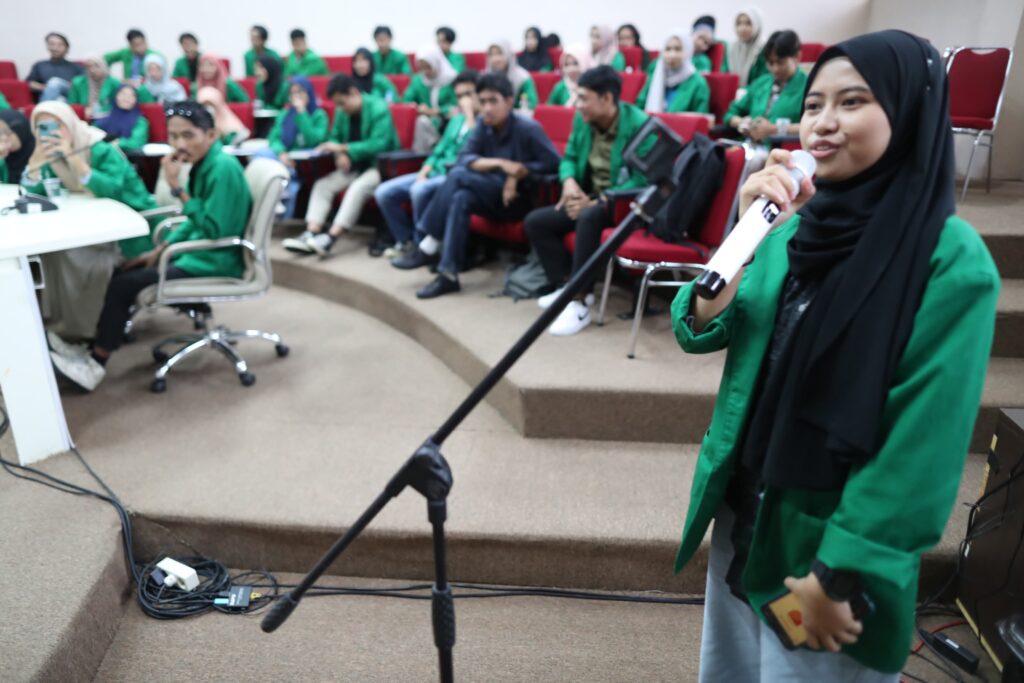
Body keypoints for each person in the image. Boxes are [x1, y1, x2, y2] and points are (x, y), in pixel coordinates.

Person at [676, 29, 1002, 682]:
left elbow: (922, 447)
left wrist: (838, 574)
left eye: (851, 102)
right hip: (747, 512)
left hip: (827, 551)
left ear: (909, 110)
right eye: (813, 104)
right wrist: (744, 231)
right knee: (733, 670)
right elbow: (699, 324)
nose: (822, 123)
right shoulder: (792, 228)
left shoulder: (949, 258)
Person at [48, 101, 253, 392]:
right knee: (120, 272)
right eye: (173, 136)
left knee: (122, 286)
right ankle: (91, 344)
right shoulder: (205, 164)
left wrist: (177, 188)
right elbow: (195, 223)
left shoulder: (222, 168)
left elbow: (215, 229)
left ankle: (95, 365)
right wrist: (159, 250)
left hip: (214, 260)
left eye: (188, 135)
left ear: (211, 135)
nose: (180, 144)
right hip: (197, 252)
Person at [525, 66, 652, 335]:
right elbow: (569, 158)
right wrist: (569, 183)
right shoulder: (583, 121)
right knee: (537, 222)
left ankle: (579, 301)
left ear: (606, 98)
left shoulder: (639, 124)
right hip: (587, 196)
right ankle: (565, 285)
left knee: (588, 216)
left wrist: (601, 201)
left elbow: (643, 179)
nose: (578, 105)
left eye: (583, 98)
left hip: (624, 204)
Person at [412, 73, 560, 299]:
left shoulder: (528, 127)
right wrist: (502, 164)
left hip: (518, 200)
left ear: (509, 102)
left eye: (493, 101)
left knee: (459, 176)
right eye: (483, 102)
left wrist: (518, 171)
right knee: (460, 196)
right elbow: (464, 157)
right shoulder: (483, 123)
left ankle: (429, 240)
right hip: (489, 192)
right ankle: (448, 275)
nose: (487, 108)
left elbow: (553, 163)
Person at [21, 101, 158, 344]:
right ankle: (62, 323)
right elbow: (36, 192)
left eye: (56, 125)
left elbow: (112, 190)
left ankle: (89, 328)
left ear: (71, 124)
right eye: (40, 127)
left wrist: (74, 159)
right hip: (89, 223)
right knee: (52, 253)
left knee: (75, 257)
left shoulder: (99, 147)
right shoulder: (50, 157)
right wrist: (35, 162)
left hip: (130, 227)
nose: (49, 132)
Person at [283, 74, 398, 257]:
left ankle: (330, 238)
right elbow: (334, 137)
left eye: (342, 103)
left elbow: (379, 144)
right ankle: (311, 233)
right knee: (323, 185)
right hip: (351, 166)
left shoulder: (378, 108)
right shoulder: (342, 111)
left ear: (353, 93)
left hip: (377, 167)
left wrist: (344, 148)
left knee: (357, 188)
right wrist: (338, 153)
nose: (340, 108)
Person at [379, 70, 481, 262]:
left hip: (454, 174)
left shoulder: (484, 121)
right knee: (384, 192)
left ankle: (422, 247)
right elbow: (439, 148)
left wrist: (469, 115)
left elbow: (472, 150)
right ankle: (406, 240)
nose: (464, 100)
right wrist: (425, 168)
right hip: (435, 170)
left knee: (419, 190)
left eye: (469, 94)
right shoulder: (456, 120)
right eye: (459, 96)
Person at [259, 77, 327, 218]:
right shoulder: (285, 114)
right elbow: (274, 138)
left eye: (300, 92)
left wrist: (302, 113)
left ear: (309, 92)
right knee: (263, 153)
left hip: (302, 165)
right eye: (293, 93)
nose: (296, 97)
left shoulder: (319, 115)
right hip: (282, 160)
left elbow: (313, 140)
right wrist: (282, 153)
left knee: (290, 185)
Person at [724, 30, 807, 143]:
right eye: (771, 63)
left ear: (797, 57)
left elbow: (814, 125)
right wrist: (743, 123)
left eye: (780, 62)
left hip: (787, 150)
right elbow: (731, 113)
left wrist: (774, 129)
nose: (775, 69)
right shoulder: (762, 83)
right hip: (751, 148)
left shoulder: (809, 86)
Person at [636, 31, 710, 114]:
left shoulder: (698, 83)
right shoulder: (656, 76)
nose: (672, 55)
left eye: (678, 49)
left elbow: (701, 118)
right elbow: (639, 107)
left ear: (688, 51)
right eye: (668, 49)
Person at [403, 46, 458, 152]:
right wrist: (417, 107)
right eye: (422, 68)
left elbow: (457, 106)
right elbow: (406, 100)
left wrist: (436, 111)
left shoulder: (451, 80)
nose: (425, 72)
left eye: (428, 67)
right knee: (421, 122)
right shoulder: (418, 81)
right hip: (427, 122)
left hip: (447, 122)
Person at [26, 33, 84, 102]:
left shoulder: (76, 66)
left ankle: (43, 110)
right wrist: (49, 88)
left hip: (69, 97)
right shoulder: (39, 65)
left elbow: (84, 85)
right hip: (53, 98)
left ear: (67, 48)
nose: (55, 48)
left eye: (59, 45)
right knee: (59, 99)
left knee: (55, 82)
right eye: (52, 44)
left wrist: (55, 85)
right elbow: (29, 83)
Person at [486, 41, 538, 110]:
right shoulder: (485, 77)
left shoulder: (523, 78)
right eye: (492, 55)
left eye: (500, 53)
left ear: (508, 54)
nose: (495, 59)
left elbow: (532, 104)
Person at [95, 85, 149, 151]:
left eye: (132, 95)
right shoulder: (104, 117)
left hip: (127, 158)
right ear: (115, 96)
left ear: (136, 100)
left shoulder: (140, 121)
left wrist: (117, 143)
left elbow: (135, 143)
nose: (127, 98)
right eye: (123, 94)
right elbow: (92, 137)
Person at [729, 7, 768, 88]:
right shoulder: (734, 48)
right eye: (739, 23)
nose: (742, 28)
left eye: (748, 23)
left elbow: (763, 83)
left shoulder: (764, 49)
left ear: (757, 24)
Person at [0, 110, 34, 183]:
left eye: (7, 133)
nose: (3, 138)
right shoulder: (3, 156)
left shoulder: (39, 151)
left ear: (20, 130)